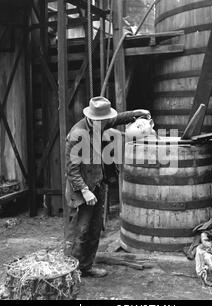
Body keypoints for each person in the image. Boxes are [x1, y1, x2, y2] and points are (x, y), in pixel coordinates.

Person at [64, 96, 151, 278]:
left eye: (105, 120)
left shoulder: (100, 121)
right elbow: (71, 169)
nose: (104, 123)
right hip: (81, 189)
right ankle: (71, 273)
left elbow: (118, 119)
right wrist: (85, 191)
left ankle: (86, 267)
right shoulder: (76, 134)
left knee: (95, 228)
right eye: (101, 121)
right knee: (81, 231)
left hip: (97, 182)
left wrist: (137, 113)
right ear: (91, 117)